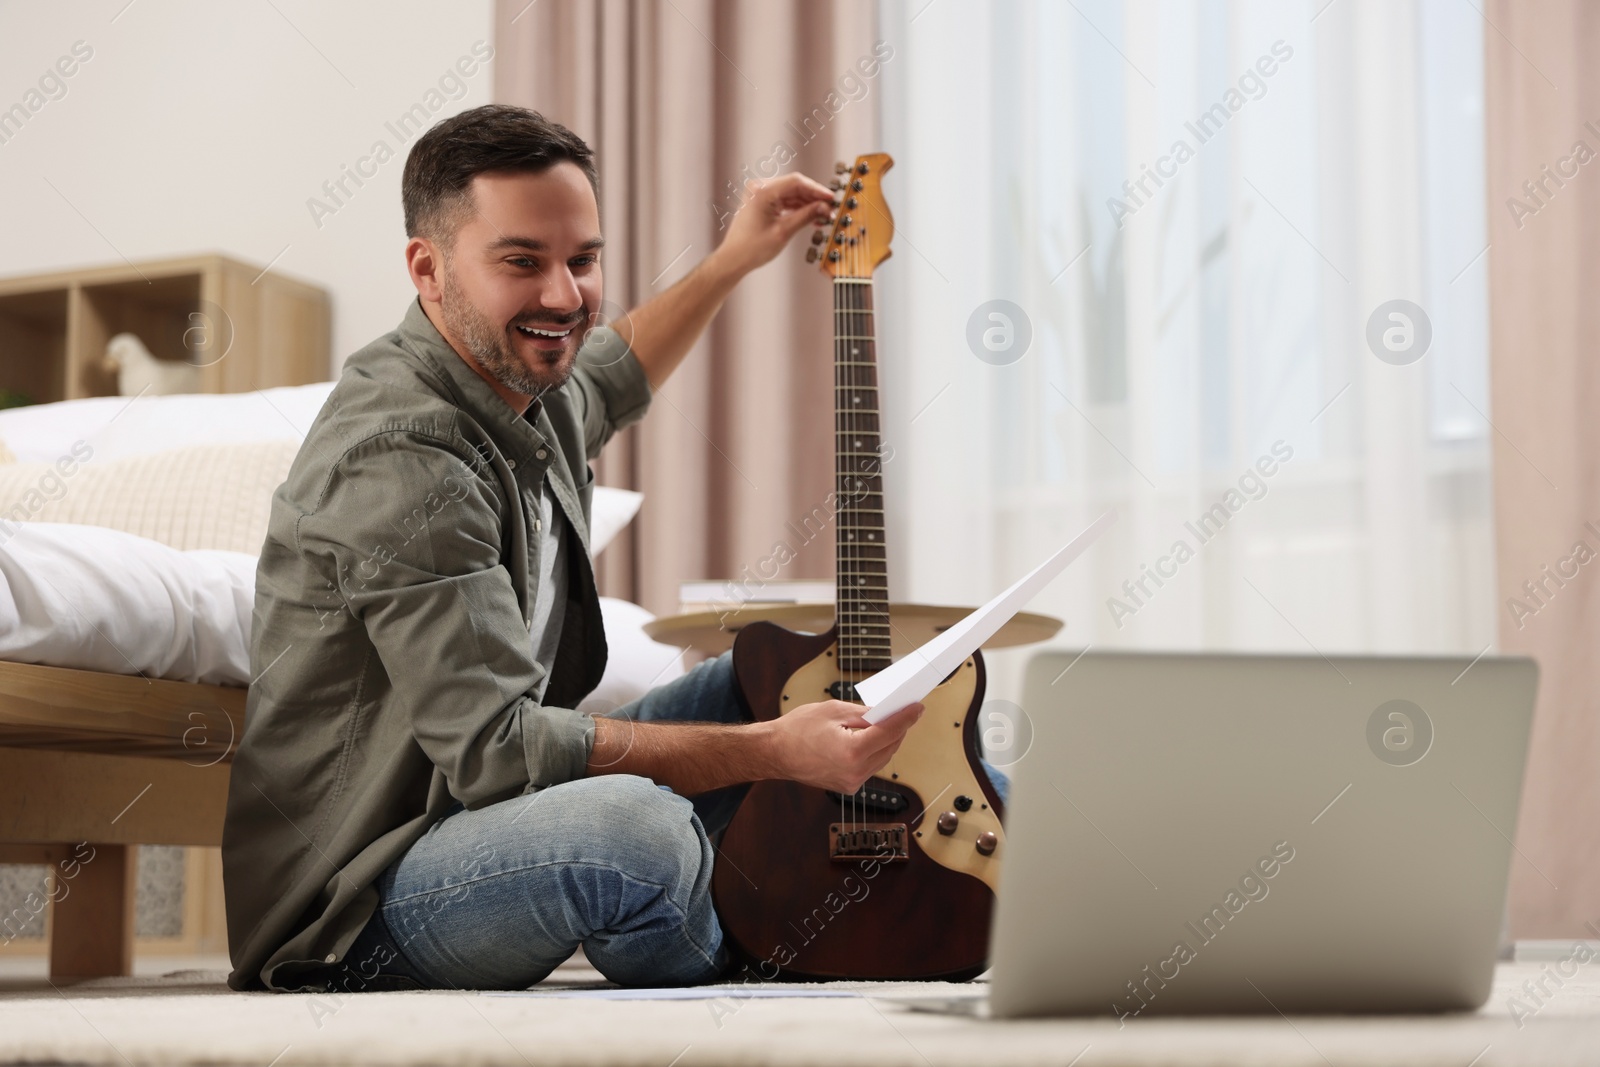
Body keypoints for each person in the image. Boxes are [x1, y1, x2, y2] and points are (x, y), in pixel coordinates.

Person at [221, 104, 926, 993]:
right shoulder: (401, 456)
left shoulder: (522, 375)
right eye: (523, 261)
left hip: (483, 810)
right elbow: (498, 752)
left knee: (772, 673)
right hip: (361, 892)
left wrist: (733, 258)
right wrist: (771, 755)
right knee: (637, 834)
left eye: (583, 260)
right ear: (428, 269)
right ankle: (770, 929)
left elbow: (615, 372)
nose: (564, 296)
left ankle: (893, 875)